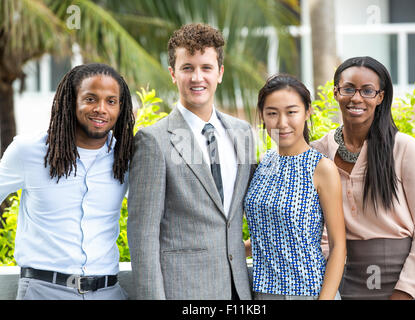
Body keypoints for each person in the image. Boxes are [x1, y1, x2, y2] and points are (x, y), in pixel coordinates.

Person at [127, 23, 255, 300]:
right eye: (188, 68)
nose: (198, 78)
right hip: (183, 292)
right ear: (173, 74)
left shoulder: (243, 133)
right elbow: (143, 234)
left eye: (206, 68)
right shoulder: (153, 140)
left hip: (239, 290)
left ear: (220, 73)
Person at [0, 63, 135, 299]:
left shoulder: (126, 158)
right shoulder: (28, 152)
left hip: (108, 292)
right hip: (43, 292)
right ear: (71, 101)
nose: (101, 109)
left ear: (120, 107)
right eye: (90, 99)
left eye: (111, 101)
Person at [311, 56, 415, 300]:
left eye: (368, 91)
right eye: (348, 89)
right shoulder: (318, 152)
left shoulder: (403, 148)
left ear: (380, 97)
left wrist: (405, 291)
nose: (356, 98)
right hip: (351, 279)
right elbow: (314, 222)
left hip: (404, 281)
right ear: (336, 92)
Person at [244, 74, 346, 300]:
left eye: (291, 112)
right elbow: (270, 232)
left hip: (307, 292)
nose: (282, 123)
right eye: (272, 113)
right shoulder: (264, 163)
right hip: (262, 293)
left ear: (307, 112)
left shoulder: (321, 168)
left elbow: (339, 246)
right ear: (262, 115)